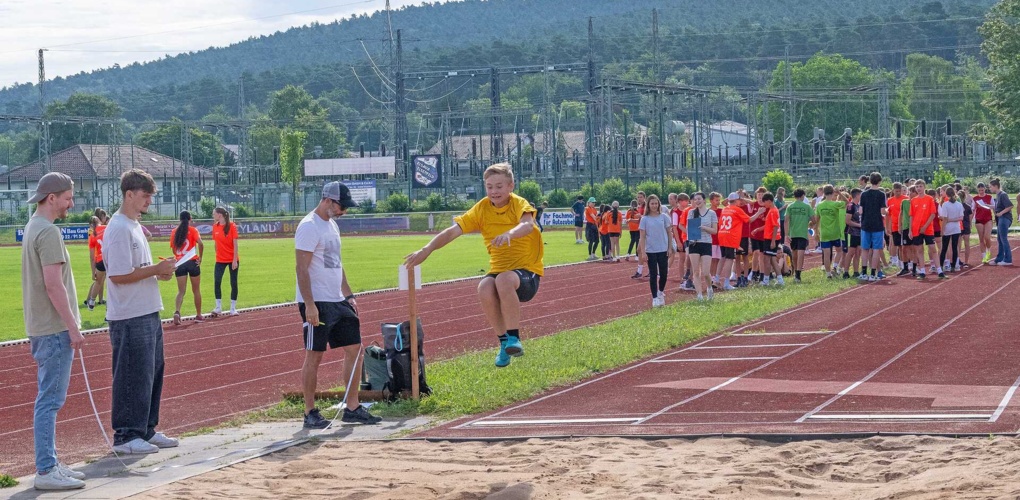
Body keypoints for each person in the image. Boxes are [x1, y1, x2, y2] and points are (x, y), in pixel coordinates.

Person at [405, 163, 544, 368]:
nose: (494, 191)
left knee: (504, 279)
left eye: (499, 186)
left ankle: (514, 337)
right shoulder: (482, 208)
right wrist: (426, 250)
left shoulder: (519, 204)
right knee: (484, 287)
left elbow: (527, 225)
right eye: (489, 187)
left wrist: (509, 234)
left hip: (527, 273)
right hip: (499, 271)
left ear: (510, 186)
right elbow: (452, 231)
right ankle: (504, 342)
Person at [103, 169, 178, 454]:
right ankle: (126, 435)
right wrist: (155, 270)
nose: (149, 201)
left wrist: (159, 273)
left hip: (146, 310)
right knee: (133, 373)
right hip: (129, 314)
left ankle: (145, 429)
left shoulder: (133, 225)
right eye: (145, 196)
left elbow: (135, 271)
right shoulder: (120, 227)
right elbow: (119, 275)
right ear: (129, 194)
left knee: (151, 371)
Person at [296, 181, 380, 428]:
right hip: (317, 301)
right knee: (315, 354)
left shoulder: (332, 226)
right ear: (327, 201)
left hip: (337, 298)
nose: (344, 211)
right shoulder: (309, 226)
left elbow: (336, 263)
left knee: (355, 348)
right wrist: (309, 305)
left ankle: (352, 407)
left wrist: (348, 295)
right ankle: (309, 411)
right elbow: (301, 268)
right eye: (341, 206)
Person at [22, 173, 87, 490]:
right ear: (51, 198)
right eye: (67, 198)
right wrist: (73, 327)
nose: (70, 204)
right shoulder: (47, 233)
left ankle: (51, 463)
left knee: (49, 399)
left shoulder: (34, 226)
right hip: (54, 328)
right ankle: (46, 469)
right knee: (50, 400)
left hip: (43, 327)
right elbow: (53, 285)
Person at [169, 210, 204, 325]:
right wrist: (200, 258)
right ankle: (198, 315)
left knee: (181, 291)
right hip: (192, 262)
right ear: (190, 219)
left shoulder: (174, 231)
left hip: (180, 263)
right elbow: (201, 243)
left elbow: (174, 249)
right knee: (196, 290)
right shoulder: (193, 230)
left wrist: (178, 257)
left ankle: (177, 312)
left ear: (179, 219)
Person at [638, 194, 673, 307]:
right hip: (650, 251)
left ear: (659, 204)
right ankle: (654, 298)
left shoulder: (664, 217)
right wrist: (643, 252)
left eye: (656, 203)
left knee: (664, 274)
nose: (654, 205)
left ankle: (660, 292)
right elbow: (642, 236)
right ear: (648, 205)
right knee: (653, 274)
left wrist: (669, 247)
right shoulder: (644, 219)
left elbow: (669, 233)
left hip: (663, 249)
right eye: (652, 203)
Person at [686, 192, 719, 299]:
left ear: (704, 200)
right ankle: (699, 295)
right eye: (695, 200)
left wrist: (704, 228)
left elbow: (714, 231)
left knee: (705, 272)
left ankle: (709, 288)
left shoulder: (711, 213)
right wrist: (688, 243)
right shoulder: (691, 212)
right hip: (694, 244)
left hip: (706, 243)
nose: (697, 201)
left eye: (699, 199)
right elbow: (689, 229)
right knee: (695, 271)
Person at [718, 192, 753, 290]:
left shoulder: (744, 207)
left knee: (743, 256)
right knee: (734, 257)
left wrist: (742, 198)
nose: (742, 201)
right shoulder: (734, 208)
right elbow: (724, 202)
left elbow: (752, 203)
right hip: (733, 236)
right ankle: (735, 279)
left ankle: (744, 277)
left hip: (739, 235)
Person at [816, 185, 850, 279]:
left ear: (824, 193)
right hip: (835, 233)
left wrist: (816, 231)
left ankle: (828, 274)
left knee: (826, 254)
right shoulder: (835, 204)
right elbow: (847, 202)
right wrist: (839, 193)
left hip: (824, 233)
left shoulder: (819, 205)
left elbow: (816, 219)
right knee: (839, 250)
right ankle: (835, 266)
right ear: (832, 192)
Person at [211, 206, 240, 316]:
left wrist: (234, 260)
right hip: (220, 260)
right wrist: (217, 255)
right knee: (217, 281)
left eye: (214, 214)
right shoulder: (215, 227)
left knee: (233, 282)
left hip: (232, 259)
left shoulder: (232, 226)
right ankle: (218, 307)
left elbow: (235, 244)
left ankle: (233, 308)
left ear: (220, 215)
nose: (213, 215)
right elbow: (216, 244)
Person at [859, 172, 888, 280]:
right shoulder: (881, 194)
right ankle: (872, 273)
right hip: (877, 224)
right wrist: (886, 211)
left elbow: (861, 211)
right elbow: (882, 211)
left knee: (865, 249)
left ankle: (863, 272)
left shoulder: (863, 194)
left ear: (870, 181)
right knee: (876, 249)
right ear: (880, 181)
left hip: (866, 224)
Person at [909, 181, 941, 278]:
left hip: (928, 229)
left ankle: (939, 270)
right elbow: (911, 216)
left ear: (924, 187)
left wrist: (925, 226)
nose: (918, 188)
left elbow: (932, 214)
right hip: (916, 229)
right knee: (919, 250)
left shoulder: (929, 199)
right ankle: (922, 271)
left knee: (932, 249)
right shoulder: (913, 200)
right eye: (917, 186)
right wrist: (910, 230)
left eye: (920, 186)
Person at [784, 188, 815, 283]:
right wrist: (810, 224)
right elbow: (814, 220)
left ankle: (796, 272)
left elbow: (786, 220)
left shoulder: (790, 206)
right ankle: (798, 274)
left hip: (793, 233)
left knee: (794, 253)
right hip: (802, 233)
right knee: (801, 253)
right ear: (802, 196)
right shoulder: (807, 206)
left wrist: (786, 234)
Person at [938, 187, 964, 276]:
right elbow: (961, 217)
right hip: (956, 228)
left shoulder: (945, 204)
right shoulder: (959, 204)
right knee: (954, 247)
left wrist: (942, 230)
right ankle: (953, 265)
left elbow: (945, 218)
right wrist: (953, 219)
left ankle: (941, 266)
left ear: (947, 194)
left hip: (948, 228)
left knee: (944, 248)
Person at [84, 215, 107, 311]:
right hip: (110, 258)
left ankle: (92, 301)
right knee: (111, 284)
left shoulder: (92, 235)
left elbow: (92, 257)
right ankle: (109, 310)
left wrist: (93, 272)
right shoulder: (106, 228)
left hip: (100, 260)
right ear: (99, 221)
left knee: (98, 281)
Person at [990, 178, 1013, 266]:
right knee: (1000, 239)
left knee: (1003, 239)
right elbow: (999, 206)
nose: (990, 188)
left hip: (1005, 218)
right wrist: (990, 206)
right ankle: (999, 258)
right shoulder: (998, 195)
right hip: (1001, 219)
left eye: (991, 187)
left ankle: (1007, 259)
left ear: (996, 186)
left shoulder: (1003, 194)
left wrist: (1001, 213)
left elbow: (1010, 206)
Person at [841, 189, 863, 279]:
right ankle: (846, 272)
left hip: (859, 233)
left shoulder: (859, 206)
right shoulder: (850, 206)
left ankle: (856, 271)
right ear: (857, 195)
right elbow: (847, 221)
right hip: (851, 232)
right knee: (850, 253)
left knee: (858, 252)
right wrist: (859, 225)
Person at [974, 183, 995, 263]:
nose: (981, 192)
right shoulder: (975, 198)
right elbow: (973, 209)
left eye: (982, 190)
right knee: (981, 238)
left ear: (985, 189)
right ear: (977, 190)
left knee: (987, 237)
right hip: (979, 219)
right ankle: (984, 256)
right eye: (979, 190)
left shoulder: (989, 197)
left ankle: (988, 251)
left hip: (988, 219)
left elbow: (994, 206)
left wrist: (988, 206)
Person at [625, 199, 642, 265]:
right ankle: (637, 256)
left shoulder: (628, 211)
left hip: (631, 228)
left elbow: (626, 220)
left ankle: (628, 254)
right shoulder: (637, 211)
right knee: (637, 241)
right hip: (637, 228)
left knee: (632, 241)